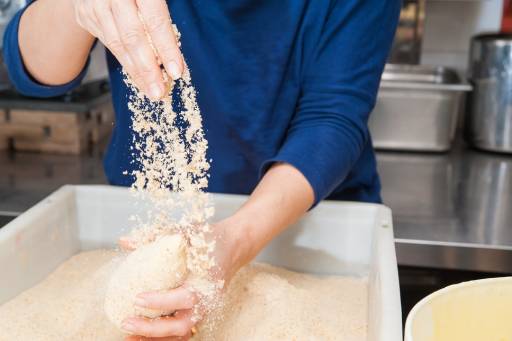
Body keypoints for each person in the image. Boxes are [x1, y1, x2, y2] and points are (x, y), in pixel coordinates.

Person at [3, 0, 400, 339]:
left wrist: (235, 239)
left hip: (312, 225)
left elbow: (332, 117)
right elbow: (37, 73)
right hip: (149, 214)